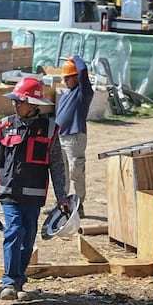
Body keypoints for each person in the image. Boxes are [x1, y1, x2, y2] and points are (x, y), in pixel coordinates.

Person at [0, 76, 69, 302]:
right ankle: (9, 282)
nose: (15, 105)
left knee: (27, 238)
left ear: (33, 104)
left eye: (20, 101)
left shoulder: (50, 130)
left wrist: (62, 198)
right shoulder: (4, 127)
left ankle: (19, 281)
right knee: (14, 231)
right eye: (15, 101)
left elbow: (57, 166)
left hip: (35, 194)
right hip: (9, 193)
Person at [54, 56, 93, 218]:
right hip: (61, 137)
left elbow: (83, 70)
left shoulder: (83, 93)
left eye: (67, 77)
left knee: (76, 171)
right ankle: (62, 204)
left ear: (76, 77)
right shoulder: (67, 94)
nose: (65, 81)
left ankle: (79, 204)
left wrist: (75, 58)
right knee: (62, 173)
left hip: (74, 137)